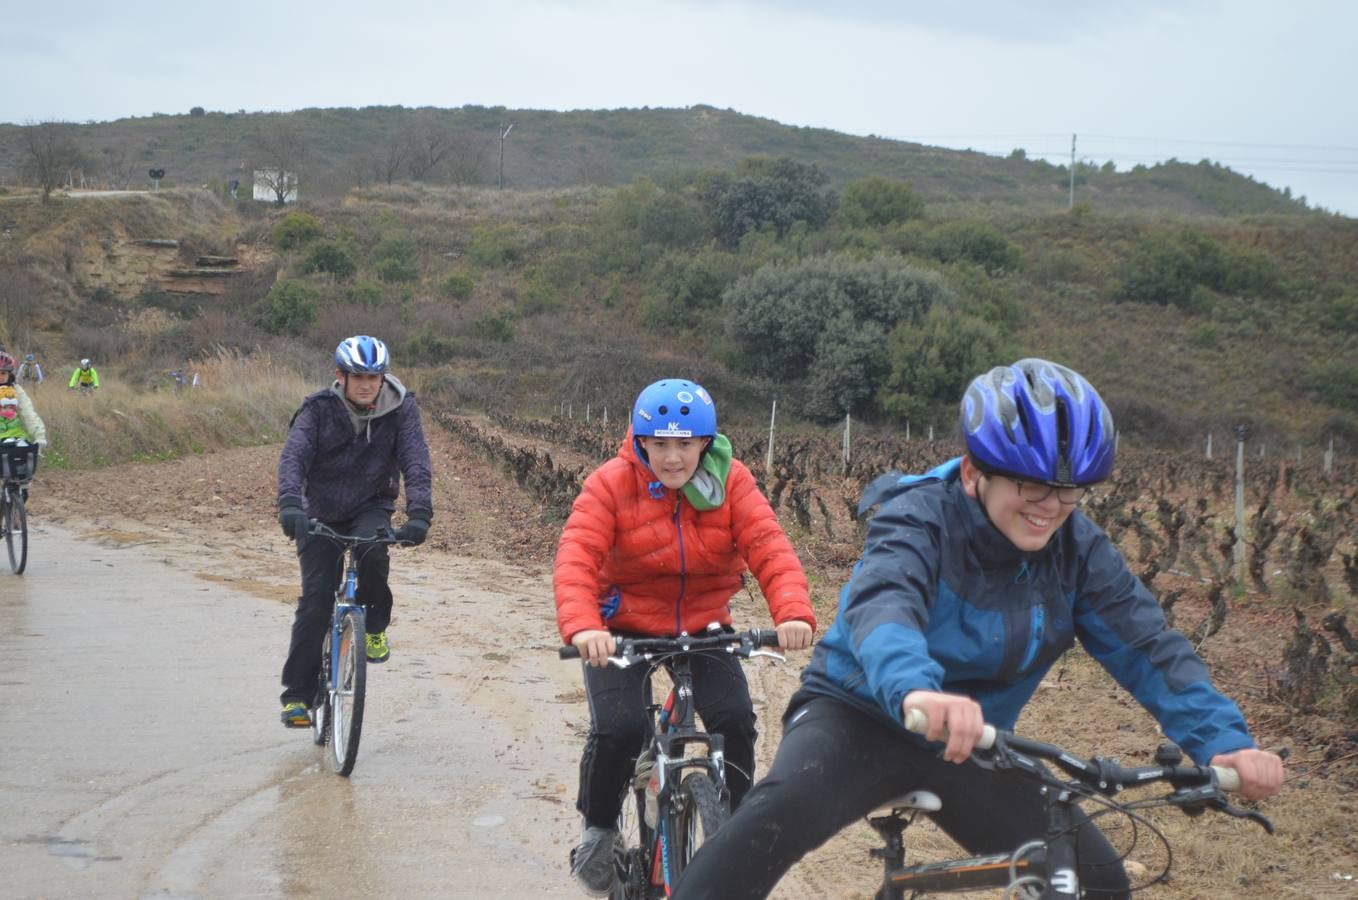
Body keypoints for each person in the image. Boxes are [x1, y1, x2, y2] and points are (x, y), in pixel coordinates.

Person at [674, 358, 1284, 900]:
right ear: (973, 472)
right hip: (858, 714)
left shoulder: (1079, 549)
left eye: (1070, 490)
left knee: (1097, 880)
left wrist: (1221, 740)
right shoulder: (918, 519)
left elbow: (1149, 646)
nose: (1050, 504)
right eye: (1031, 484)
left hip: (972, 739)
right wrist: (918, 689)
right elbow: (885, 607)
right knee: (767, 826)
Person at [554, 378, 817, 897]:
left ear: (705, 442)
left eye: (685, 443)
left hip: (702, 623)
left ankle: (731, 827)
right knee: (620, 731)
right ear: (641, 442)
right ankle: (600, 831)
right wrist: (585, 626)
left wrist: (792, 612)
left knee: (736, 720)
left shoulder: (732, 482)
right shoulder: (610, 484)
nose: (673, 458)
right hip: (621, 626)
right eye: (661, 444)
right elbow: (577, 555)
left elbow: (769, 545)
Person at [276, 335, 433, 728]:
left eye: (374, 377)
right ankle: (297, 696)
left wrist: (419, 515)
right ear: (340, 376)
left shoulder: (402, 409)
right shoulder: (318, 409)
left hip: (370, 505)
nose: (366, 384)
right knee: (315, 601)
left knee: (375, 555)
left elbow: (416, 460)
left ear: (383, 378)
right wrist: (290, 504)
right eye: (358, 376)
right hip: (320, 510)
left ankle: (375, 627)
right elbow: (294, 456)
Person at [0, 351, 49, 452]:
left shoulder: (16, 390)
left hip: (15, 437)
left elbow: (28, 413)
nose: (0, 376)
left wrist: (39, 436)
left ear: (9, 374)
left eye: (3, 373)